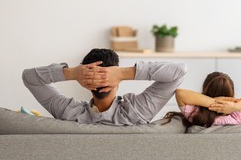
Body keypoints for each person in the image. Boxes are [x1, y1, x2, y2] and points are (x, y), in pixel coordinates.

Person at [22, 48, 187, 125]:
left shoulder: (68, 112)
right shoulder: (137, 111)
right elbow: (179, 72)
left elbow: (29, 78)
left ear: (86, 84)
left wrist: (71, 73)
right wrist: (124, 73)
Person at [165, 71, 241, 127]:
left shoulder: (195, 114)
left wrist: (212, 102)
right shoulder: (237, 116)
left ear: (204, 90)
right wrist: (236, 106)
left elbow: (180, 93)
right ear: (232, 92)